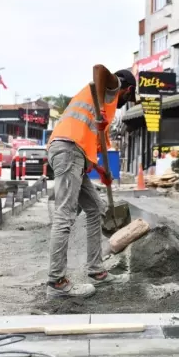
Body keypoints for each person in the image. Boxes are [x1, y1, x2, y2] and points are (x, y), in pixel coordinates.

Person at [45, 64, 136, 299]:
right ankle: (57, 282)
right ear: (125, 89)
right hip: (67, 149)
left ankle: (96, 271)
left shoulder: (104, 111)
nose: (125, 99)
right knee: (65, 215)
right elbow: (99, 70)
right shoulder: (109, 90)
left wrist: (100, 170)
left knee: (96, 208)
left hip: (76, 155)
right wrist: (107, 103)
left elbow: (91, 147)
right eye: (128, 95)